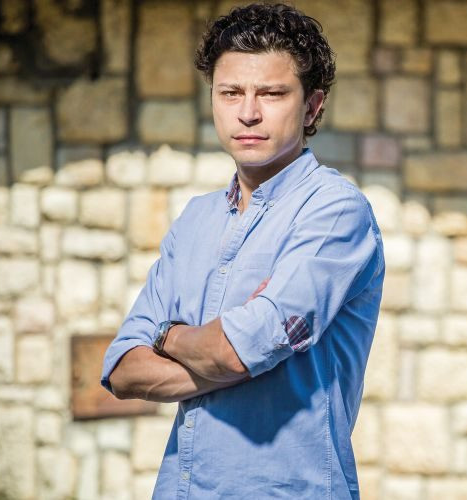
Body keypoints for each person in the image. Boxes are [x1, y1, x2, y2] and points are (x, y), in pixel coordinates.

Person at [100, 4, 385, 498]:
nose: (248, 112)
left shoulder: (335, 212)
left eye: (272, 94)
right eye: (230, 92)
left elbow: (233, 354)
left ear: (313, 105)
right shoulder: (195, 220)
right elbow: (124, 370)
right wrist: (230, 351)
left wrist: (167, 335)